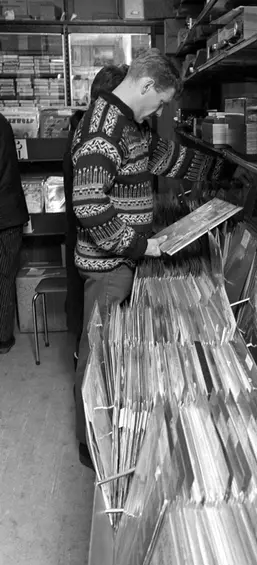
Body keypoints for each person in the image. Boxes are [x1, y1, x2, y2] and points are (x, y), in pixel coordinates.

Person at [72, 48, 232, 468]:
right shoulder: (103, 129)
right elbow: (88, 205)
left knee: (109, 348)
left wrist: (224, 170)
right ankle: (94, 446)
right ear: (145, 85)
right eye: (160, 101)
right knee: (99, 353)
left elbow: (169, 157)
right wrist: (140, 247)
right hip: (110, 267)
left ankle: (104, 438)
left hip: (122, 261)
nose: (160, 110)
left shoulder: (129, 125)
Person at [64, 65, 129, 372]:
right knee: (95, 343)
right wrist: (135, 243)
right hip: (97, 251)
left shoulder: (82, 127)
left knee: (91, 327)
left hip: (83, 242)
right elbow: (90, 204)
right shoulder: (96, 135)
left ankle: (83, 354)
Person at [0, 113, 29, 354]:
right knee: (6, 276)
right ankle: (3, 338)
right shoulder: (3, 123)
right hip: (10, 212)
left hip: (7, 212)